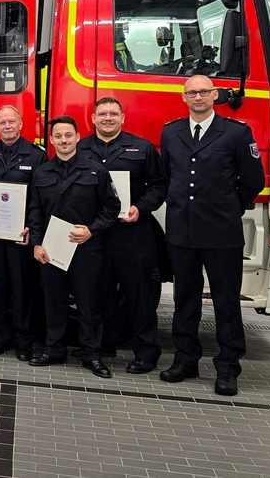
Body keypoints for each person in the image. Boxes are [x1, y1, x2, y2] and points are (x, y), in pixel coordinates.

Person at [159, 75, 264, 396]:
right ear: (184, 97)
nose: (198, 97)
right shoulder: (171, 132)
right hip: (182, 231)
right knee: (184, 300)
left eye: (204, 92)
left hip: (221, 232)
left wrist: (229, 207)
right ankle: (185, 360)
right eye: (192, 93)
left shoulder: (236, 133)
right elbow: (167, 175)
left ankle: (228, 367)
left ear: (215, 95)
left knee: (226, 301)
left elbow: (253, 180)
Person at [78, 97, 167, 374]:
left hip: (133, 233)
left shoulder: (142, 148)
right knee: (100, 293)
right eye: (102, 114)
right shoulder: (81, 149)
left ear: (122, 117)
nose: (107, 118)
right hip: (96, 234)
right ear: (92, 119)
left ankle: (146, 352)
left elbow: (159, 186)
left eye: (113, 114)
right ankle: (104, 345)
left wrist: (140, 208)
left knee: (139, 294)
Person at [27, 116, 120, 378]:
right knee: (54, 302)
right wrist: (36, 243)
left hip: (85, 250)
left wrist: (92, 230)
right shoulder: (42, 172)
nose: (64, 140)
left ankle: (92, 354)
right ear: (52, 140)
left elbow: (112, 208)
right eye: (58, 136)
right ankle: (54, 349)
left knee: (88, 303)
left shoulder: (96, 171)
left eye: (68, 135)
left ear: (78, 137)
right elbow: (34, 211)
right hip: (51, 250)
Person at [0, 105, 46, 362]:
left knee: (22, 288)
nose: (7, 126)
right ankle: (1, 336)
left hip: (20, 235)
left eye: (11, 121)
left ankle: (23, 339)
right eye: (2, 122)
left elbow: (41, 197)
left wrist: (31, 227)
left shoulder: (36, 155)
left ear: (21, 123)